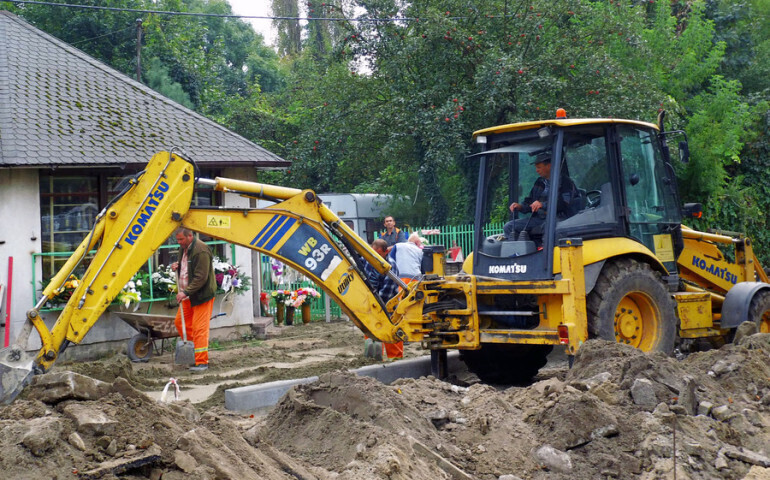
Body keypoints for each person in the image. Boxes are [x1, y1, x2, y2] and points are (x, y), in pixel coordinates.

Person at [503, 151, 577, 241]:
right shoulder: (539, 182)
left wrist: (543, 204)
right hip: (538, 219)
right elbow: (530, 201)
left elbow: (564, 204)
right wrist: (520, 206)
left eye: (539, 167)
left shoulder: (565, 182)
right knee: (509, 226)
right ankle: (516, 253)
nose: (537, 170)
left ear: (549, 166)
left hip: (559, 218)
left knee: (548, 228)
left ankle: (546, 253)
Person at [171, 228, 217, 372]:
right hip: (188, 296)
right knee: (180, 323)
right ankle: (193, 352)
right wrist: (176, 267)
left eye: (181, 239)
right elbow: (187, 268)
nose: (179, 243)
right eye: (177, 240)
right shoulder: (184, 248)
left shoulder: (201, 250)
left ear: (190, 236)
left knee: (199, 328)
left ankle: (202, 362)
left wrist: (185, 292)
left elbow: (200, 277)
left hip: (201, 295)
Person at [363, 238, 403, 359]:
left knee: (391, 331)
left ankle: (395, 357)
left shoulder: (390, 266)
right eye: (373, 253)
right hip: (372, 301)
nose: (375, 256)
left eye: (378, 254)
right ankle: (374, 357)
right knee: (371, 329)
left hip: (389, 304)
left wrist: (375, 304)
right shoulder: (367, 261)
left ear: (386, 252)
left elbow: (387, 291)